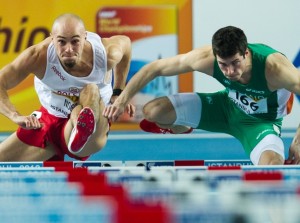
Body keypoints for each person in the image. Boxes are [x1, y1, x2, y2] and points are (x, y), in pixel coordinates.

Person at [103, 25, 300, 165]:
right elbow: (154, 68)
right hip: (225, 107)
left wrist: (298, 141)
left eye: (235, 63)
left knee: (272, 167)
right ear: (215, 57)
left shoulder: (274, 68)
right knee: (152, 111)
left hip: (261, 124)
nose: (230, 71)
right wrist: (121, 100)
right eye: (223, 65)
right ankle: (185, 125)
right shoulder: (207, 59)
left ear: (246, 53)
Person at [0, 13, 134, 161]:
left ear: (85, 37)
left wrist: (118, 91)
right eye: (62, 42)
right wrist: (14, 115)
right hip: (49, 120)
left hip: (94, 126)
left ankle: (81, 129)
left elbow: (126, 44)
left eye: (75, 41)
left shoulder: (106, 54)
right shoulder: (38, 56)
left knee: (91, 89)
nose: (68, 49)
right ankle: (78, 125)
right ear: (52, 38)